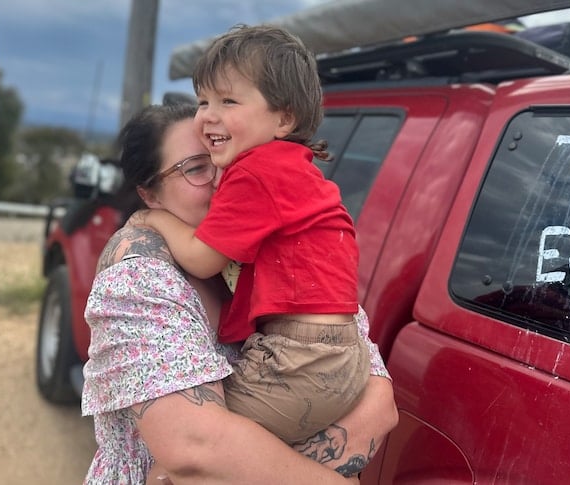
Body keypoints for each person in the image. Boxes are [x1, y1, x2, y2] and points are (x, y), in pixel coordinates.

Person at [82, 103, 397, 484]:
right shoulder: (139, 277)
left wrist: (247, 462)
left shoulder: (281, 246)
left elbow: (379, 402)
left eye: (230, 162)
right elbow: (194, 450)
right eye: (197, 168)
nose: (222, 181)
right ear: (150, 195)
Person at [130, 24, 369, 445]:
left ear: (284, 117)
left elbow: (204, 258)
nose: (208, 115)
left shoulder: (256, 173)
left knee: (193, 448)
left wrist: (155, 220)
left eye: (229, 100)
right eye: (204, 100)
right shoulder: (291, 167)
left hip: (300, 359)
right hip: (340, 355)